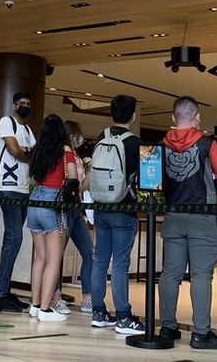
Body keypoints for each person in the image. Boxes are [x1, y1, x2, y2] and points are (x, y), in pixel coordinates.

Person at [158, 96, 217, 350]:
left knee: (170, 274)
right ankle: (201, 333)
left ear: (173, 118)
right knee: (201, 274)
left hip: (173, 216)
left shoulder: (161, 145)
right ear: (197, 116)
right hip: (201, 216)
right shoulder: (207, 143)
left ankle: (167, 327)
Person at [89, 94, 145, 336]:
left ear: (111, 114)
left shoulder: (102, 137)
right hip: (124, 208)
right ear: (133, 116)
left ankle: (98, 313)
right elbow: (142, 179)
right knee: (120, 262)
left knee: (100, 259)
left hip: (101, 206)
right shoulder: (134, 142)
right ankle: (123, 316)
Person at [24, 114, 76, 322]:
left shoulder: (37, 150)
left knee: (40, 258)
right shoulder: (65, 151)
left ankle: (35, 305)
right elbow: (73, 177)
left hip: (34, 201)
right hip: (52, 203)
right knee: (54, 259)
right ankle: (45, 309)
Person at [0, 91, 36, 313]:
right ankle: (0, 294)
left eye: (28, 103)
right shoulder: (6, 122)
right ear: (14, 105)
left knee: (12, 240)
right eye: (22, 103)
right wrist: (24, 152)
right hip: (8, 188)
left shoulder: (28, 130)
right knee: (14, 238)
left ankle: (4, 289)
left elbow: (32, 154)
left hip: (23, 189)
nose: (25, 106)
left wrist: (25, 151)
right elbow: (13, 149)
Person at [59, 120, 93, 314]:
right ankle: (55, 295)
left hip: (77, 209)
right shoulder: (65, 154)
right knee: (57, 254)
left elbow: (81, 187)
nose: (80, 139)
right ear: (72, 135)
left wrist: (89, 172)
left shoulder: (77, 157)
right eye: (77, 135)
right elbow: (71, 186)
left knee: (90, 253)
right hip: (66, 208)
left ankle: (87, 297)